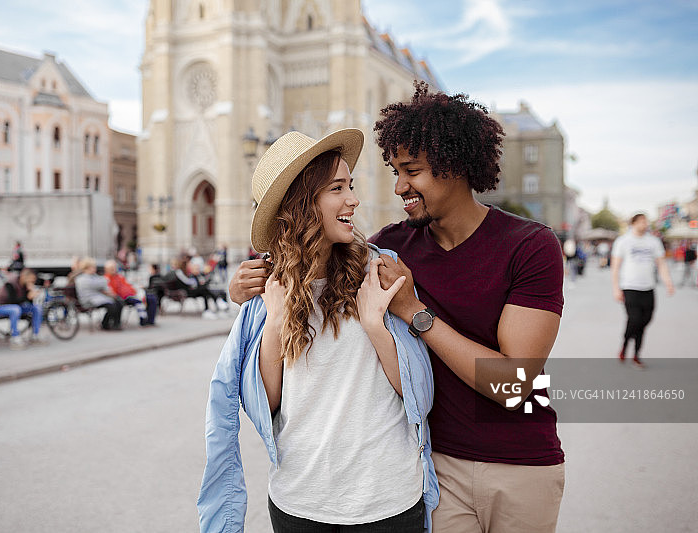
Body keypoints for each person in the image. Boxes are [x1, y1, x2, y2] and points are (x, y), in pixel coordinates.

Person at [229, 83, 566, 533]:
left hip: (519, 462)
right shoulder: (387, 248)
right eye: (395, 170)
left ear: (457, 166)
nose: (399, 186)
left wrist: (415, 312)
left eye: (413, 171)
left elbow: (513, 384)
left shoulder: (530, 246)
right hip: (436, 465)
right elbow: (311, 252)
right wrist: (251, 281)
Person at [199, 129, 438, 533]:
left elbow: (418, 393)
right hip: (300, 501)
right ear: (302, 204)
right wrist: (275, 321)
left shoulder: (381, 270)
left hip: (388, 499)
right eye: (337, 188)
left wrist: (374, 324)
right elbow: (268, 404)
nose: (353, 199)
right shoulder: (267, 291)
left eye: (351, 185)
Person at [611, 213, 675, 367]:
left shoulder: (653, 242)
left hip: (648, 287)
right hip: (630, 287)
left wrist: (668, 282)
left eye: (646, 221)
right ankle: (628, 347)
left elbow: (661, 263)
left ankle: (635, 352)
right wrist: (616, 288)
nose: (644, 224)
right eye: (641, 221)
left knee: (646, 319)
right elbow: (615, 266)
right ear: (633, 223)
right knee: (634, 319)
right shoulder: (623, 241)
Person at [0, 268, 44, 350]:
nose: (32, 282)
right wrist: (27, 296)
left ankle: (35, 335)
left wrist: (31, 296)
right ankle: (15, 338)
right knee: (15, 309)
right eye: (31, 280)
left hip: (16, 307)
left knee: (37, 308)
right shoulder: (11, 283)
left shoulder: (25, 285)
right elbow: (12, 301)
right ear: (24, 277)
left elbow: (26, 303)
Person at [74, 258, 123, 331]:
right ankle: (105, 324)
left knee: (119, 302)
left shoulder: (94, 276)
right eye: (93, 267)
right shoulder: (81, 278)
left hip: (97, 298)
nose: (95, 268)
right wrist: (103, 282)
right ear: (87, 267)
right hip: (89, 300)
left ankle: (116, 324)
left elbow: (102, 282)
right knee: (112, 306)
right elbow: (100, 283)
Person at [103, 259, 156, 326]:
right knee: (137, 302)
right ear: (106, 269)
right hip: (123, 297)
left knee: (151, 298)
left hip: (131, 294)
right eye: (111, 268)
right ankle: (143, 321)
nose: (114, 269)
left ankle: (150, 321)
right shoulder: (106, 279)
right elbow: (111, 291)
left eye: (114, 267)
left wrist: (134, 290)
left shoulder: (119, 277)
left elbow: (127, 285)